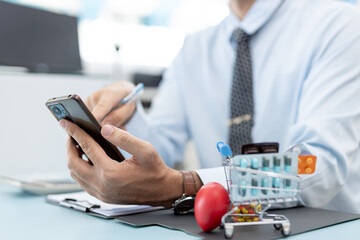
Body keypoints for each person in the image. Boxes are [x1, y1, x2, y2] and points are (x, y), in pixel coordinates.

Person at [59, 0, 360, 213]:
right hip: (216, 228)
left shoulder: (342, 26)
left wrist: (188, 184)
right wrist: (128, 114)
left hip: (322, 225)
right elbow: (160, 152)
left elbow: (318, 166)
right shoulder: (193, 48)